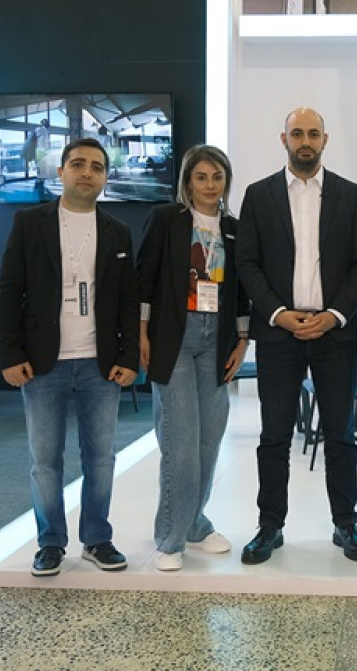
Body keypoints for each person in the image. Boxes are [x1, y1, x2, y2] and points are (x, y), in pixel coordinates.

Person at [236, 107, 357, 564]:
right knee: (274, 435)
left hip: (335, 335)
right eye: (297, 134)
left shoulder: (350, 195)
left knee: (340, 435)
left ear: (325, 140)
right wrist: (278, 313)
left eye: (313, 134)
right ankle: (270, 526)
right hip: (280, 333)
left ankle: (346, 524)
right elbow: (247, 263)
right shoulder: (259, 195)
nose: (305, 142)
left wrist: (335, 314)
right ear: (284, 139)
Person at [0, 137, 139, 576]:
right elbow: (9, 290)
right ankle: (50, 543)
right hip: (43, 363)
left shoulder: (118, 231)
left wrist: (129, 356)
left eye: (96, 166)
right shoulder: (29, 223)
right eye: (77, 164)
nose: (87, 172)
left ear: (105, 177)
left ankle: (96, 538)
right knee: (45, 461)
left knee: (101, 458)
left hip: (101, 363)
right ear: (60, 172)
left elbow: (128, 300)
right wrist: (10, 354)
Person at [136, 145, 250, 572]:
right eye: (201, 177)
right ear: (187, 181)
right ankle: (171, 536)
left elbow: (241, 291)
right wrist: (141, 332)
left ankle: (195, 523)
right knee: (180, 444)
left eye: (217, 177)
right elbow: (144, 279)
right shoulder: (167, 220)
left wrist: (243, 340)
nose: (209, 185)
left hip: (217, 339)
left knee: (208, 441)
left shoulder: (234, 229)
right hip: (175, 339)